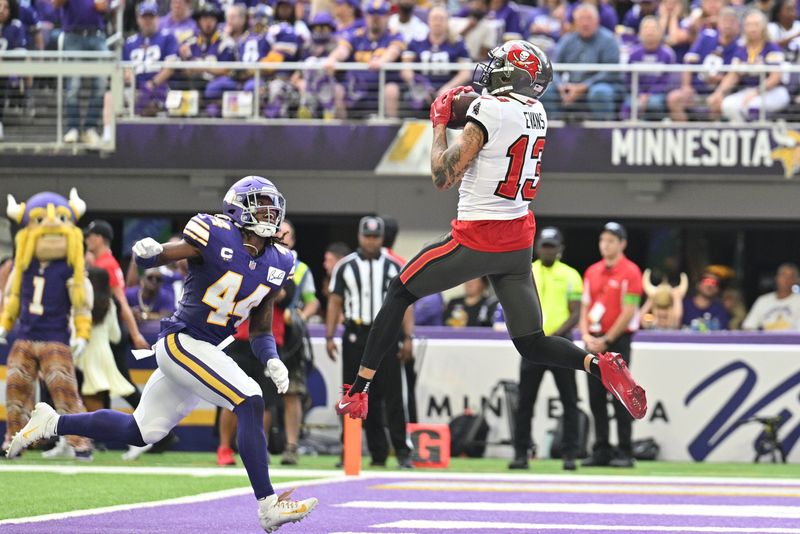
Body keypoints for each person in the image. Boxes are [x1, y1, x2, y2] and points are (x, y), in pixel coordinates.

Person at [334, 41, 647, 442]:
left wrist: (439, 124)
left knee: (398, 292)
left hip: (479, 235)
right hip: (518, 240)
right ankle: (597, 364)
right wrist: (467, 109)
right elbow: (498, 122)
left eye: (499, 66)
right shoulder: (538, 112)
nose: (490, 70)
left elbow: (443, 175)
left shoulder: (490, 110)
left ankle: (359, 390)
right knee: (531, 341)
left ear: (513, 74)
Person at [7, 176, 318, 531]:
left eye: (272, 204)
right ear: (238, 207)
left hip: (206, 348)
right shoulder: (215, 233)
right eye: (261, 203)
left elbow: (261, 326)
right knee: (249, 398)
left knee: (141, 430)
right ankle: (268, 505)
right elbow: (171, 252)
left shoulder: (280, 261)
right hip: (183, 341)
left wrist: (271, 358)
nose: (270, 211)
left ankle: (50, 422)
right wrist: (150, 252)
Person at [325, 216, 414, 468]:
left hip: (387, 335)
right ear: (360, 236)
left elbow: (406, 303)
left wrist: (408, 337)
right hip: (356, 334)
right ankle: (354, 451)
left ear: (382, 238)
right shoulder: (345, 266)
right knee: (355, 394)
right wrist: (330, 336)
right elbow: (335, 301)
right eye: (367, 236)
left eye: (375, 237)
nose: (371, 241)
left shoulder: (396, 265)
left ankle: (402, 451)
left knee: (394, 396)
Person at [506, 227, 583, 471]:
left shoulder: (570, 275)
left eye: (552, 246)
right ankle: (521, 453)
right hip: (532, 345)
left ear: (560, 248)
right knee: (525, 401)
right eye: (544, 246)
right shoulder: (527, 271)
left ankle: (570, 454)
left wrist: (556, 337)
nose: (547, 250)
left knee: (569, 401)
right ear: (538, 247)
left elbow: (576, 312)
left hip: (560, 345)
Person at [579, 222, 643, 468]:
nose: (605, 245)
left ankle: (625, 451)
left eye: (611, 241)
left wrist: (607, 339)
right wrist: (586, 335)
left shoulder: (631, 272)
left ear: (622, 244)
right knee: (595, 398)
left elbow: (629, 310)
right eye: (602, 240)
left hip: (617, 340)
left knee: (621, 395)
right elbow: (585, 307)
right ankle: (601, 449)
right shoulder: (592, 271)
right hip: (593, 340)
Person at [542, 4, 620, 120]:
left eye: (589, 19)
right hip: (571, 86)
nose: (585, 23)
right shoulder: (567, 40)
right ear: (575, 22)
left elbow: (610, 72)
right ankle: (554, 129)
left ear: (597, 21)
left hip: (599, 85)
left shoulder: (609, 41)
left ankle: (603, 132)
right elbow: (554, 68)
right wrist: (561, 86)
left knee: (600, 92)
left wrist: (584, 86)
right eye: (581, 19)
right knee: (546, 90)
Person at [708, 9, 789, 122]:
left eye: (756, 25)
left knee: (754, 105)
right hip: (749, 90)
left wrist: (757, 91)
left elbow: (775, 77)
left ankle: (759, 134)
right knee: (728, 105)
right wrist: (719, 92)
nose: (752, 28)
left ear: (763, 27)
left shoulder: (772, 48)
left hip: (774, 91)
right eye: (749, 25)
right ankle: (741, 133)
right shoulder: (741, 49)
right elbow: (733, 75)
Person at [666, 6, 740, 121]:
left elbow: (735, 75)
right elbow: (689, 61)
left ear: (738, 26)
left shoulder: (740, 47)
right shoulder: (706, 37)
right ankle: (685, 133)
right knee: (674, 98)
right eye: (724, 21)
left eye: (731, 22)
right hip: (697, 89)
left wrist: (719, 83)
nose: (728, 25)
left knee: (717, 102)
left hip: (721, 92)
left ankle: (710, 136)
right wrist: (686, 86)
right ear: (718, 23)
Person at [56, 0, 110, 145]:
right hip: (73, 35)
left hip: (97, 35)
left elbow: (105, 7)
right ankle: (73, 127)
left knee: (101, 82)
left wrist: (103, 5)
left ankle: (90, 128)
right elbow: (55, 3)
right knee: (73, 84)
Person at [123, 1, 178, 117]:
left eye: (151, 17)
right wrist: (132, 81)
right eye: (144, 17)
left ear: (157, 18)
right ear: (138, 19)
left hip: (159, 87)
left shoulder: (167, 37)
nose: (147, 21)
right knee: (111, 96)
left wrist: (152, 83)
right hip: (135, 88)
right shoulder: (130, 42)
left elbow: (170, 67)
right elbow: (126, 68)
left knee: (152, 98)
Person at [743, 263, 800, 331]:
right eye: (783, 275)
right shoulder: (763, 300)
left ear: (796, 280)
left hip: (792, 340)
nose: (786, 280)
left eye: (791, 277)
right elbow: (748, 326)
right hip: (767, 340)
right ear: (776, 278)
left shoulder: (798, 301)